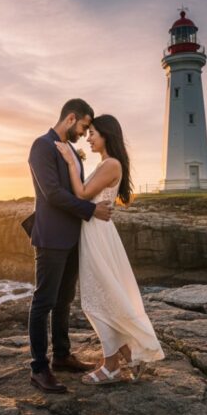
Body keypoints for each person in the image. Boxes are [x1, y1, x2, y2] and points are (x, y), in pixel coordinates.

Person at [54, 114, 165, 385]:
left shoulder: (111, 164)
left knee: (98, 299)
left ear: (107, 135)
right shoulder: (107, 163)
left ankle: (112, 366)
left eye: (92, 133)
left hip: (97, 235)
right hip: (95, 232)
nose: (88, 138)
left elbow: (81, 194)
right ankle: (129, 355)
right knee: (103, 296)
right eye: (88, 132)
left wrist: (71, 161)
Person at [25, 98, 113, 394]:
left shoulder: (72, 151)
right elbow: (51, 194)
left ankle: (61, 355)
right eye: (84, 126)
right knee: (43, 302)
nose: (85, 132)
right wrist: (91, 211)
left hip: (74, 238)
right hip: (51, 238)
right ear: (71, 118)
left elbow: (78, 189)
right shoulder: (41, 146)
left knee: (63, 301)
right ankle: (39, 368)